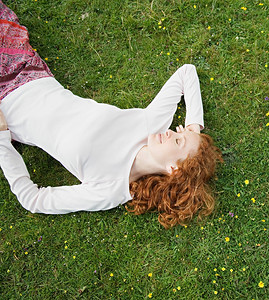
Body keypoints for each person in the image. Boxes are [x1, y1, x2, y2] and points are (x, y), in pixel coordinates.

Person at [0, 1, 222, 228]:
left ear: (172, 169)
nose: (169, 131)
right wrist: (194, 128)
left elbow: (33, 199)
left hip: (6, 108)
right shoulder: (152, 124)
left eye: (178, 140)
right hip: (27, 69)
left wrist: (2, 139)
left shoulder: (111, 188)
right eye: (178, 131)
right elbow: (187, 72)